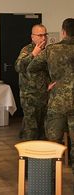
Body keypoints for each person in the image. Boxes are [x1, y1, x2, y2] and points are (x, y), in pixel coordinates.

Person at [27, 18, 74, 176]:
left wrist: (48, 82)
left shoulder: (51, 50)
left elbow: (32, 67)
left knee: (53, 144)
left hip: (57, 102)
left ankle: (51, 183)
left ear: (63, 32)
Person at [15, 24, 50, 140]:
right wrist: (34, 54)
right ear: (33, 37)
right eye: (40, 35)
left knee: (44, 131)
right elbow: (18, 66)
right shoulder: (27, 50)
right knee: (31, 130)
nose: (44, 38)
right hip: (29, 97)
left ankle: (42, 158)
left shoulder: (49, 51)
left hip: (45, 97)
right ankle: (28, 157)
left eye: (45, 35)